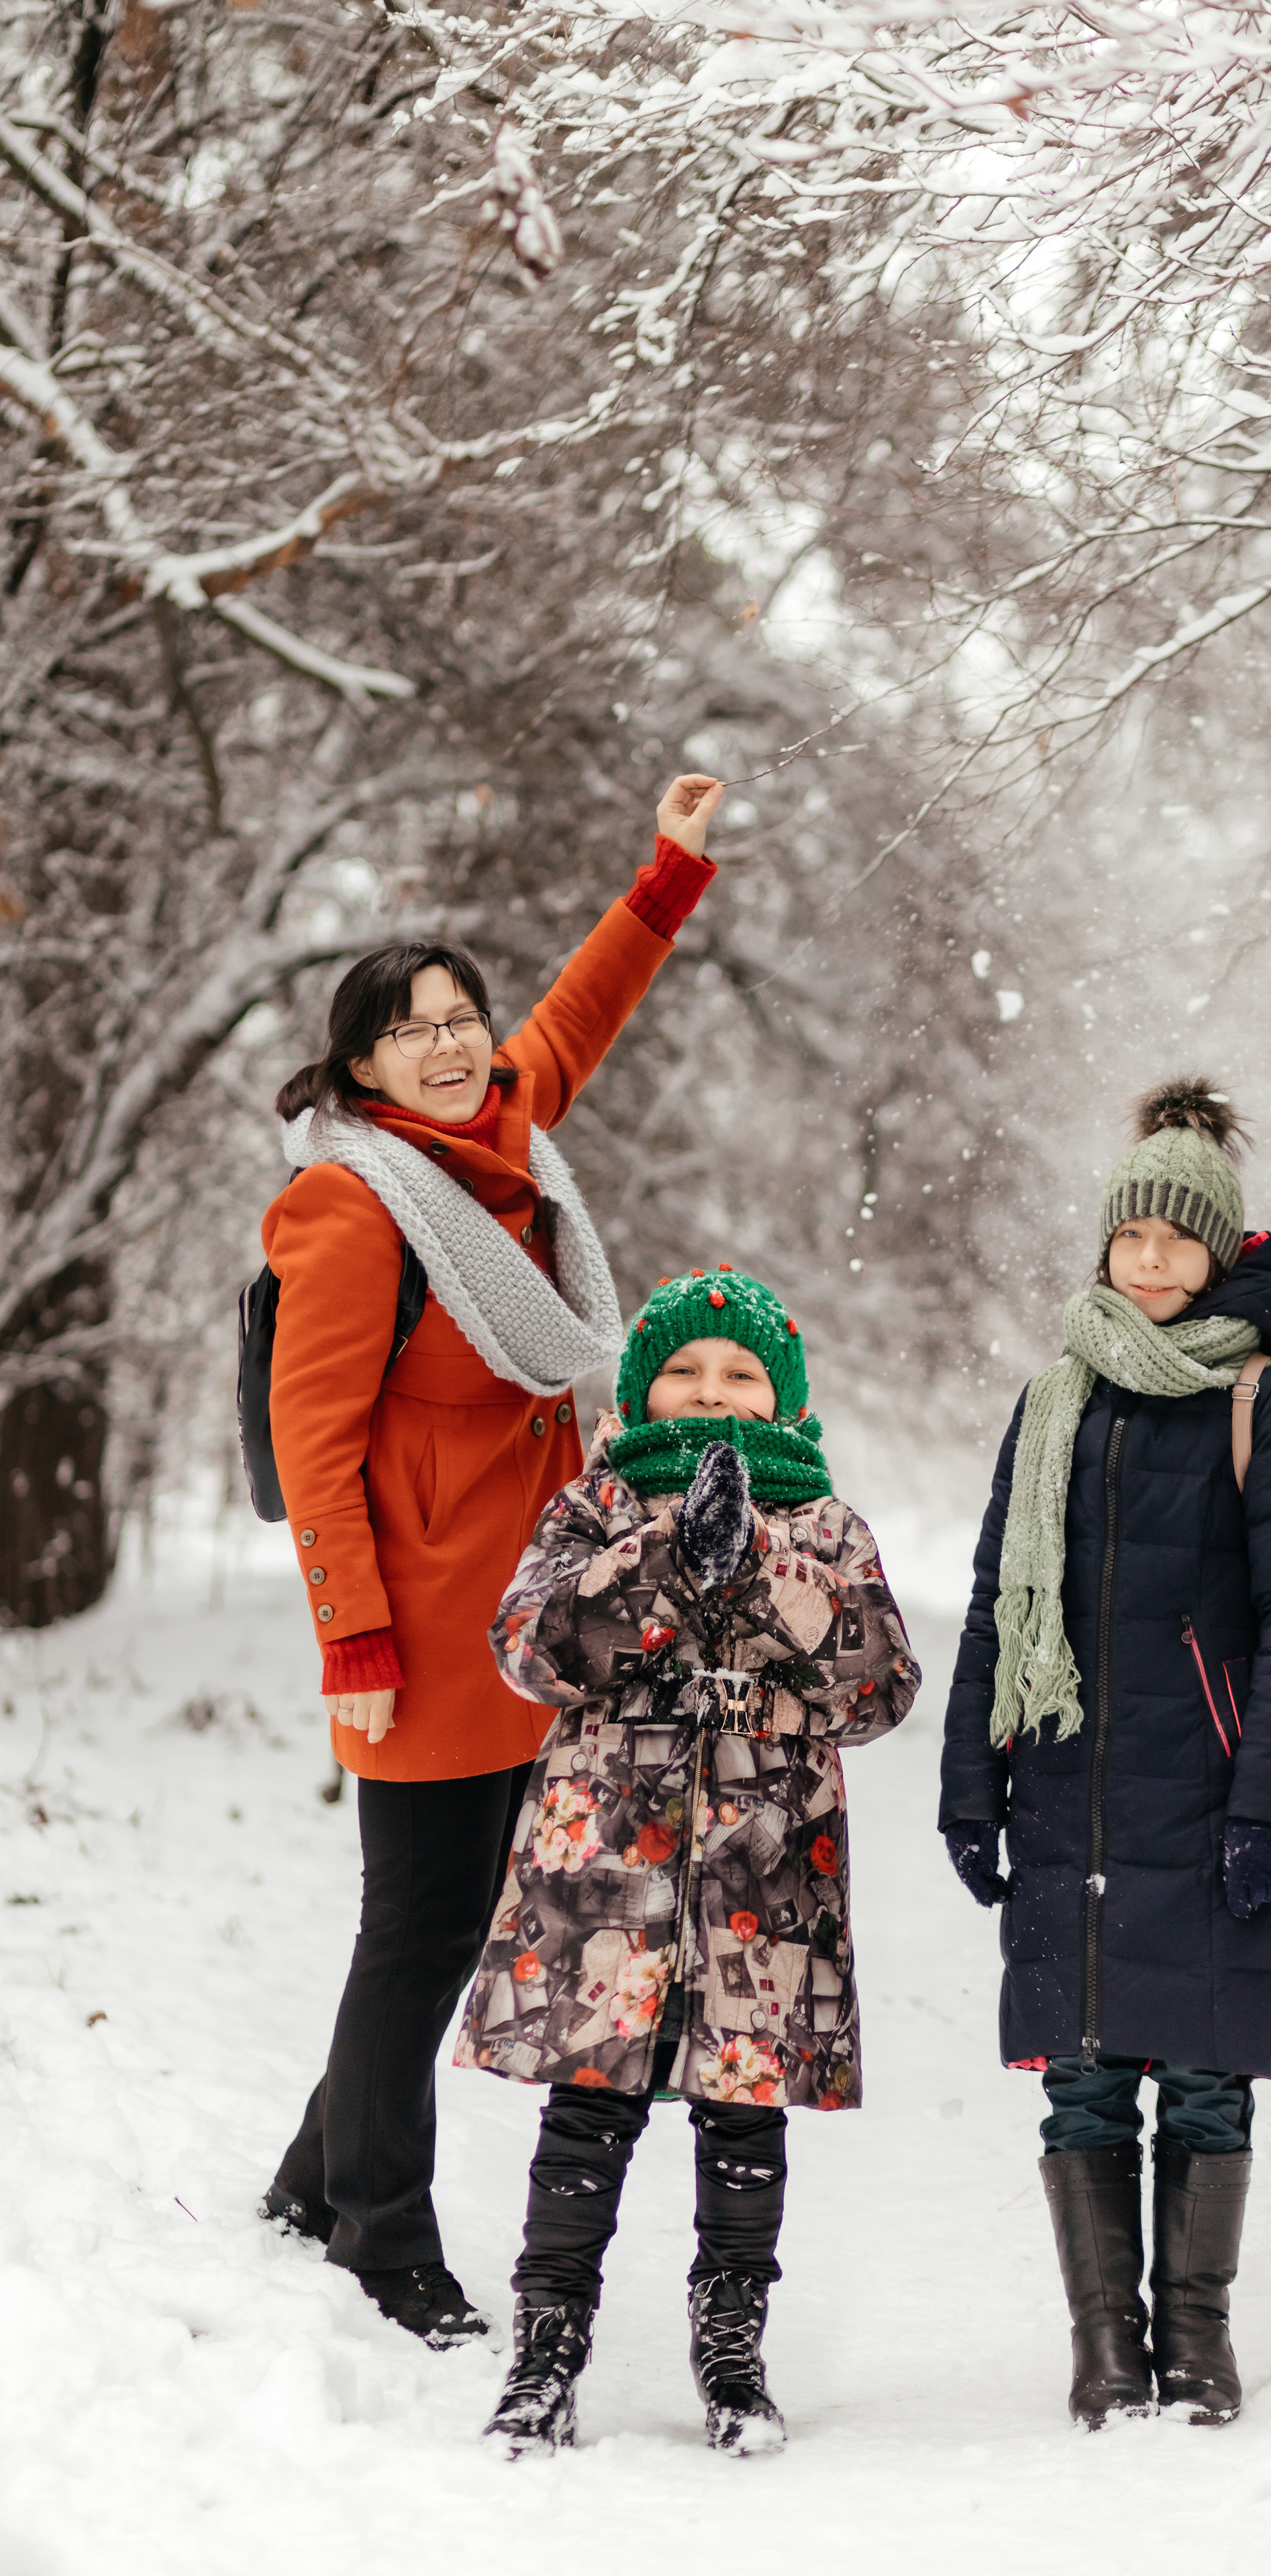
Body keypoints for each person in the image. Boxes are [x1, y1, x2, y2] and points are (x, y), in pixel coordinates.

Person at [259, 775, 725, 2345]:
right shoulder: (349, 1206)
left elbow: (577, 1017)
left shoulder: (506, 1152)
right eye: (413, 1030)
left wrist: (666, 873)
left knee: (463, 1925)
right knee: (417, 1935)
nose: (453, 1045)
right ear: (361, 1066)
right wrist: (353, 1644)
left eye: (463, 1017)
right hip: (420, 1634)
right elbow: (315, 1443)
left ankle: (310, 2173)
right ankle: (379, 2234)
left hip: (540, 1627)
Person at [451, 1267, 919, 2454]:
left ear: (785, 1399)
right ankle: (547, 2350)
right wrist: (665, 1553)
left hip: (765, 1877)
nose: (712, 1393)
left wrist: (755, 1559)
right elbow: (533, 1647)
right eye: (686, 1371)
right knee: (588, 2111)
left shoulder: (826, 1527)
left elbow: (877, 1683)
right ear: (645, 1386)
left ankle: (733, 2350)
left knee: (743, 2115)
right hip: (607, 1868)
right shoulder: (596, 1506)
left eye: (741, 1375)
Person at [939, 1078, 1271, 2428]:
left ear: (1221, 1249)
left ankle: (1197, 2337)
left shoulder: (1264, 1408)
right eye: (1131, 1238)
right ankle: (1104, 2346)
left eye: (1178, 1239)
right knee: (1083, 2076)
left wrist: (1267, 1808)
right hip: (1069, 1793)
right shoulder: (1055, 1402)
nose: (1151, 1260)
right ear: (1105, 1247)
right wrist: (968, 1787)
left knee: (1209, 2073)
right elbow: (1001, 1597)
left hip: (1209, 1794)